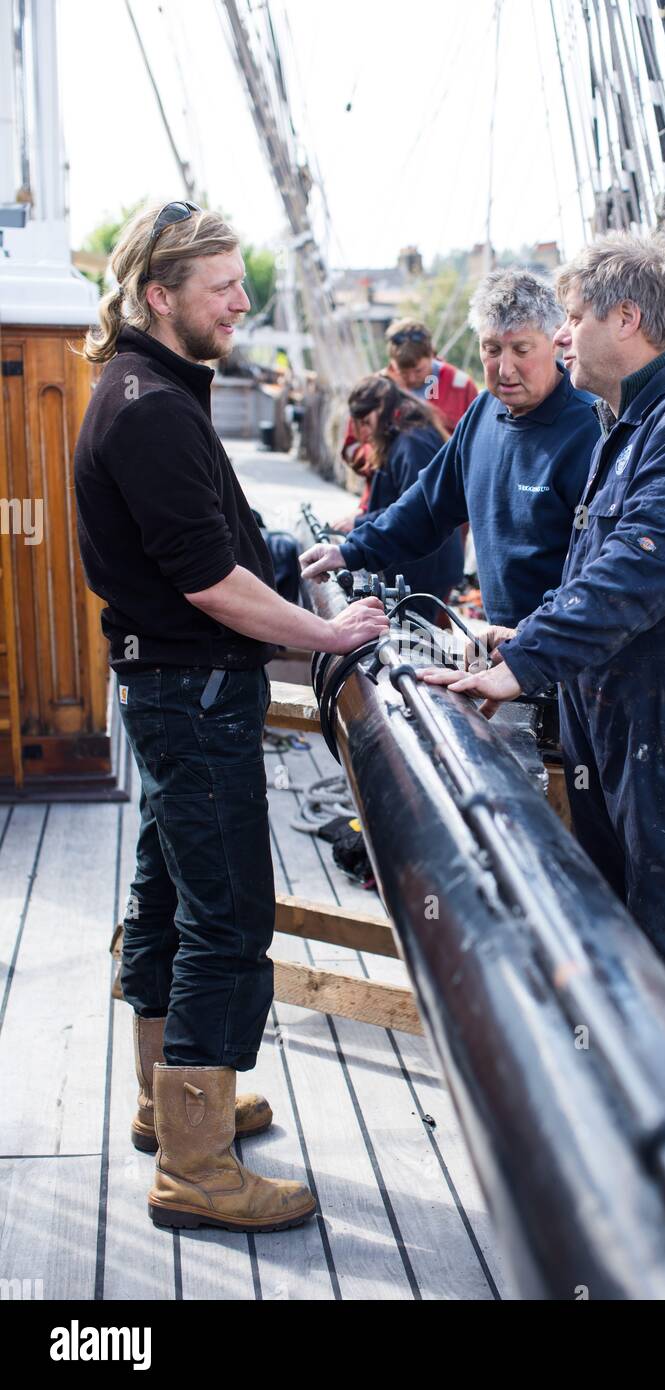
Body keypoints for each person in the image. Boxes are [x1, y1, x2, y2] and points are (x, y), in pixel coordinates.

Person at [73, 201, 388, 1234]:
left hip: (170, 692)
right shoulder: (151, 407)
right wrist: (327, 634)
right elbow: (209, 581)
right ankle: (198, 1168)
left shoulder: (143, 386)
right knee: (227, 917)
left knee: (167, 898)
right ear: (159, 296)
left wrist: (297, 560)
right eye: (223, 287)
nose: (242, 302)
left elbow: (217, 543)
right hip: (193, 695)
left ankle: (168, 1107)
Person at [420, 231, 665, 1083]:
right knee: (623, 953)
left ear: (628, 317)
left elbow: (639, 570)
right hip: (619, 730)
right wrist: (525, 632)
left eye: (572, 318)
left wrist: (522, 663)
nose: (563, 334)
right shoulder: (631, 426)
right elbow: (596, 577)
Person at [300, 268, 601, 629]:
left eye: (521, 349)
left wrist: (536, 645)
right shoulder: (482, 412)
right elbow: (428, 505)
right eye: (491, 350)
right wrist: (350, 551)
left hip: (563, 648)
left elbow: (598, 569)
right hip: (503, 642)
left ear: (556, 341)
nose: (504, 369)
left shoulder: (590, 428)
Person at [334, 318, 478, 532]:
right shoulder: (373, 391)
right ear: (391, 362)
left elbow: (476, 445)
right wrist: (380, 456)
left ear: (432, 354)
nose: (411, 378)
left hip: (446, 506)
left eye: (419, 371)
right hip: (385, 503)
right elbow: (351, 446)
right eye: (403, 372)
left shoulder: (460, 386)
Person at [344, 374, 464, 624]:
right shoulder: (407, 436)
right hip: (424, 562)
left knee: (413, 642)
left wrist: (358, 523)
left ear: (383, 410)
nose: (364, 433)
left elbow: (415, 509)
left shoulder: (411, 443)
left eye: (366, 422)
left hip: (424, 566)